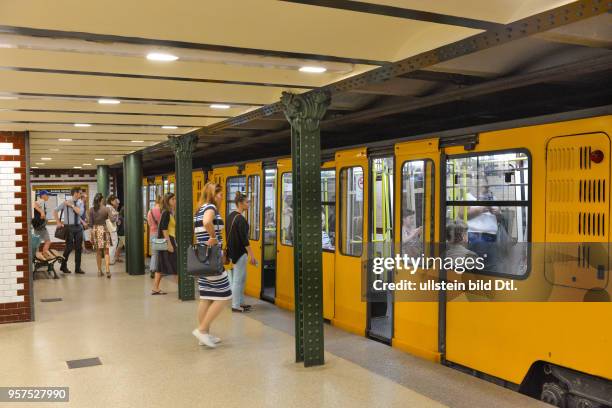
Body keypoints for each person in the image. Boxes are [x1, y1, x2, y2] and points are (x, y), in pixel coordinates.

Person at [192, 182, 231, 348]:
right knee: (225, 295)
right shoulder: (211, 208)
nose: (222, 197)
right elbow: (208, 222)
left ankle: (204, 334)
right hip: (211, 255)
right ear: (213, 195)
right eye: (220, 194)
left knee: (207, 296)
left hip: (202, 255)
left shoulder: (199, 208)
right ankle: (201, 330)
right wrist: (214, 237)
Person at [226, 191, 257, 313]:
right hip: (240, 253)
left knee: (240, 278)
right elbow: (245, 240)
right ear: (240, 203)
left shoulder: (230, 216)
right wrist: (252, 255)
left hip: (232, 251)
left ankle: (240, 302)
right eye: (247, 202)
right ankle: (235, 305)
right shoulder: (241, 219)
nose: (248, 204)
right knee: (238, 279)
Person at [54, 188, 85, 274]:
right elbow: (55, 211)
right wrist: (58, 222)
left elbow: (80, 213)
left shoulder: (80, 202)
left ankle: (77, 268)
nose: (81, 195)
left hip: (78, 227)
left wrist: (71, 206)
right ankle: (63, 266)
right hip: (69, 227)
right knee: (69, 247)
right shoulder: (65, 202)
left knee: (79, 248)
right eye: (80, 193)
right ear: (75, 193)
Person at [153, 192, 177, 295]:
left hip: (162, 240)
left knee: (161, 265)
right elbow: (164, 229)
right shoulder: (166, 212)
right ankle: (182, 288)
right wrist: (169, 244)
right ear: (168, 201)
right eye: (173, 199)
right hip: (167, 240)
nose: (175, 201)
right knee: (176, 264)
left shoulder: (167, 212)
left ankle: (155, 288)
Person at [88, 193, 112, 278]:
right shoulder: (106, 209)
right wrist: (116, 215)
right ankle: (108, 270)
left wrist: (90, 235)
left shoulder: (91, 210)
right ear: (101, 200)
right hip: (104, 229)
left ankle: (99, 271)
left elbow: (90, 224)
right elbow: (112, 219)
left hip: (95, 230)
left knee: (98, 252)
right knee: (106, 251)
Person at [32, 190, 52, 259]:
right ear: (43, 195)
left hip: (40, 226)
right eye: (47, 195)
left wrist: (44, 217)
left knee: (43, 241)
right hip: (39, 227)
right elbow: (33, 204)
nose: (48, 196)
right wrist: (41, 212)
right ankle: (40, 257)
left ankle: (43, 256)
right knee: (46, 241)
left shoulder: (43, 203)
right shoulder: (41, 201)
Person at [147, 195, 163, 279]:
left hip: (152, 234)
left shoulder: (150, 211)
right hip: (159, 234)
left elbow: (149, 224)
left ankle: (152, 269)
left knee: (154, 253)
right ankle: (157, 270)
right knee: (160, 253)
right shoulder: (161, 211)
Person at [106, 195, 120, 264]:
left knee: (112, 244)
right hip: (111, 228)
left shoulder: (110, 207)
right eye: (115, 201)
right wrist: (116, 214)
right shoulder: (110, 208)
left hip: (110, 228)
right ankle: (110, 260)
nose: (116, 202)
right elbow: (112, 219)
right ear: (111, 201)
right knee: (114, 243)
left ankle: (110, 259)